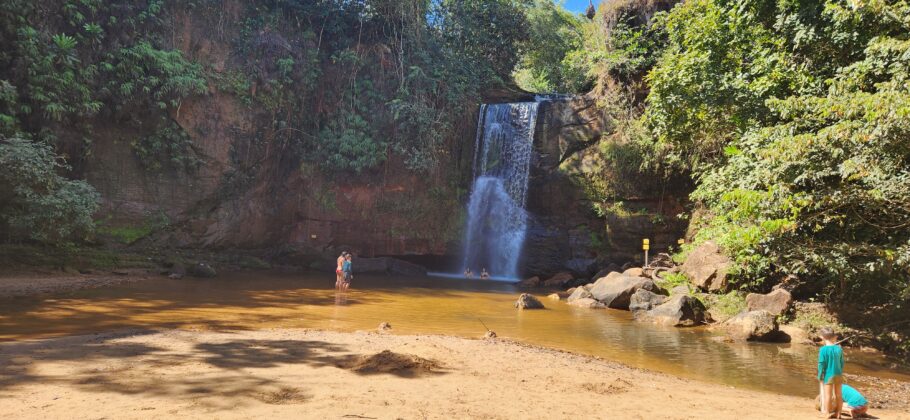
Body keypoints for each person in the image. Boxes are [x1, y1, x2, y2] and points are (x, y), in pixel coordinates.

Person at [817, 327, 845, 418]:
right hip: (838, 374)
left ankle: (827, 413)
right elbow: (842, 363)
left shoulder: (823, 350)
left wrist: (820, 375)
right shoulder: (839, 349)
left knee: (827, 395)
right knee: (839, 395)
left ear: (823, 338)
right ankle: (839, 414)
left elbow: (821, 364)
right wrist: (840, 370)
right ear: (833, 336)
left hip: (828, 375)